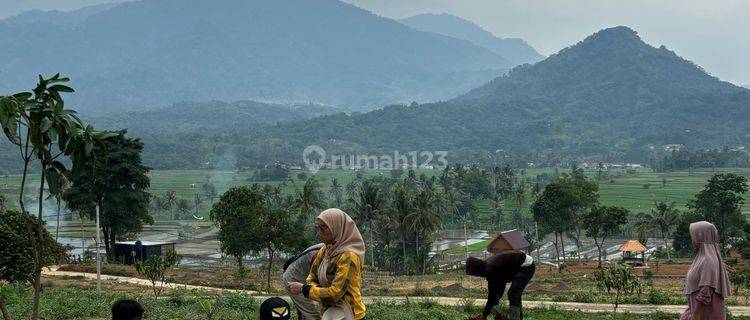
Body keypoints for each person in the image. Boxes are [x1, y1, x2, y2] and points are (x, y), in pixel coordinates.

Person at [288, 208, 366, 320]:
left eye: (323, 228)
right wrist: (321, 291)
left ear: (336, 228)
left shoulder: (349, 256)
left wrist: (304, 289)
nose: (320, 232)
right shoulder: (325, 251)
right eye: (318, 228)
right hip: (330, 312)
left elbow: (335, 294)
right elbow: (311, 277)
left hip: (350, 315)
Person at [681, 221, 732, 320]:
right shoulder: (702, 258)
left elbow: (706, 291)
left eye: (694, 236)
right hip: (698, 312)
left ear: (701, 237)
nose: (693, 240)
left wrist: (696, 315)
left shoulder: (708, 261)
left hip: (705, 315)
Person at [465, 250, 536, 320]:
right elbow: (499, 288)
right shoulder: (489, 266)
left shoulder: (490, 270)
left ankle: (515, 318)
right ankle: (503, 316)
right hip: (518, 264)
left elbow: (492, 295)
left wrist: (484, 315)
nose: (479, 276)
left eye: (475, 274)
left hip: (526, 265)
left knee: (513, 293)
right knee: (512, 294)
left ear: (477, 270)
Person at [283, 243, 325, 320]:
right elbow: (322, 282)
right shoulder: (323, 253)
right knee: (311, 314)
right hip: (293, 278)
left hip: (305, 276)